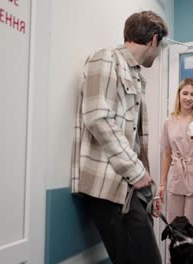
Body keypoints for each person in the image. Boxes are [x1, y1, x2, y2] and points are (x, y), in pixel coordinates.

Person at [71, 11, 168, 264]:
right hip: (108, 188)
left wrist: (149, 191)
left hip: (127, 187)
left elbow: (133, 142)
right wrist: (138, 174)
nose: (158, 54)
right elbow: (97, 118)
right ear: (154, 40)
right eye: (161, 47)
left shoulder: (135, 75)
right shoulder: (105, 59)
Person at [158, 78, 193, 248]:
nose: (188, 98)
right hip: (176, 177)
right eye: (185, 93)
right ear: (178, 95)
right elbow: (167, 154)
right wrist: (162, 183)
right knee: (174, 232)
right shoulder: (169, 121)